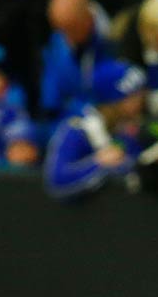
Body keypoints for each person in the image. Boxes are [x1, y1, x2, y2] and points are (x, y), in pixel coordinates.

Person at [43, 59, 148, 199]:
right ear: (114, 100)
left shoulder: (130, 128)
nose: (140, 100)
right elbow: (56, 180)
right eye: (133, 95)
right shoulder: (78, 128)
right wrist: (98, 163)